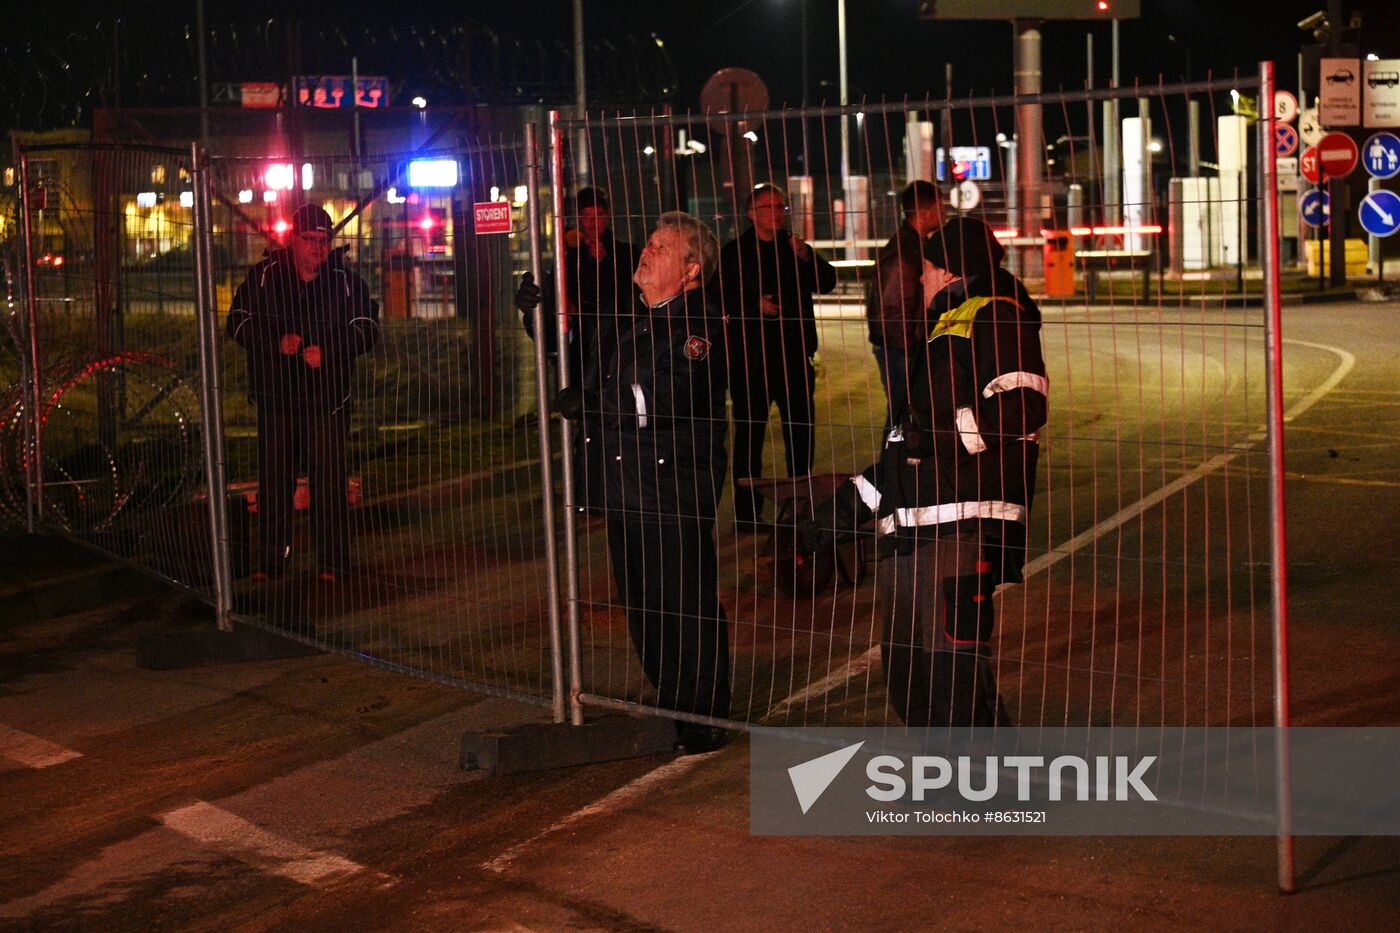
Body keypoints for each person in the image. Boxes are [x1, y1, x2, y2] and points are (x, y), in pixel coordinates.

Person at [800, 217, 1047, 727]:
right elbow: (902, 455)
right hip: (915, 532)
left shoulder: (998, 316)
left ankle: (980, 789)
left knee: (951, 674)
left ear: (951, 271)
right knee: (911, 674)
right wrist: (830, 520)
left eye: (927, 268)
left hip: (962, 530)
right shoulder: (943, 325)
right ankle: (954, 779)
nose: (918, 279)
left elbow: (1021, 407)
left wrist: (934, 439)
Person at [535, 212, 732, 754]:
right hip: (626, 492)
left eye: (661, 248)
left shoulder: (700, 328)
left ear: (691, 270)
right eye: (648, 242)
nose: (646, 253)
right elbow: (575, 358)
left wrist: (598, 406)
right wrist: (539, 317)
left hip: (673, 495)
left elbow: (668, 399)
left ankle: (706, 713)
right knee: (644, 607)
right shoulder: (633, 323)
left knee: (685, 604)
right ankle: (672, 701)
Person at [226, 203, 381, 582]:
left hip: (326, 399)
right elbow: (237, 322)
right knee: (274, 481)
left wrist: (329, 352)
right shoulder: (265, 277)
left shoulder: (346, 283)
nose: (318, 248)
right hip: (276, 397)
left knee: (328, 482)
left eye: (324, 240)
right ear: (292, 240)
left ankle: (333, 563)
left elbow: (367, 329)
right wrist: (274, 343)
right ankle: (272, 563)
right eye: (309, 240)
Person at [719, 183, 837, 526]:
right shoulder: (736, 253)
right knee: (750, 436)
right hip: (751, 359)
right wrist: (753, 306)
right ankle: (748, 513)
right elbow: (717, 298)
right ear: (751, 213)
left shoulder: (794, 249)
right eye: (769, 207)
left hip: (795, 355)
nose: (777, 212)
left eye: (781, 207)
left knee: (801, 434)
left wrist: (806, 256)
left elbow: (826, 282)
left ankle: (800, 507)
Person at [517, 188, 640, 514]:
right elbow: (558, 298)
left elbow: (632, 296)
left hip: (617, 348)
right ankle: (584, 495)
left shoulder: (624, 254)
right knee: (581, 423)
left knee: (613, 418)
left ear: (608, 217)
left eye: (598, 216)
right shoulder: (567, 257)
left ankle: (614, 492)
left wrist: (605, 262)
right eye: (586, 217)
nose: (592, 223)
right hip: (581, 348)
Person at [866, 180, 954, 426]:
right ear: (925, 213)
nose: (945, 213)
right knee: (904, 416)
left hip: (904, 347)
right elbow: (893, 308)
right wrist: (912, 348)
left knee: (905, 414)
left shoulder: (915, 244)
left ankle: (895, 461)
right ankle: (892, 463)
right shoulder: (905, 251)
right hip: (901, 350)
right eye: (940, 207)